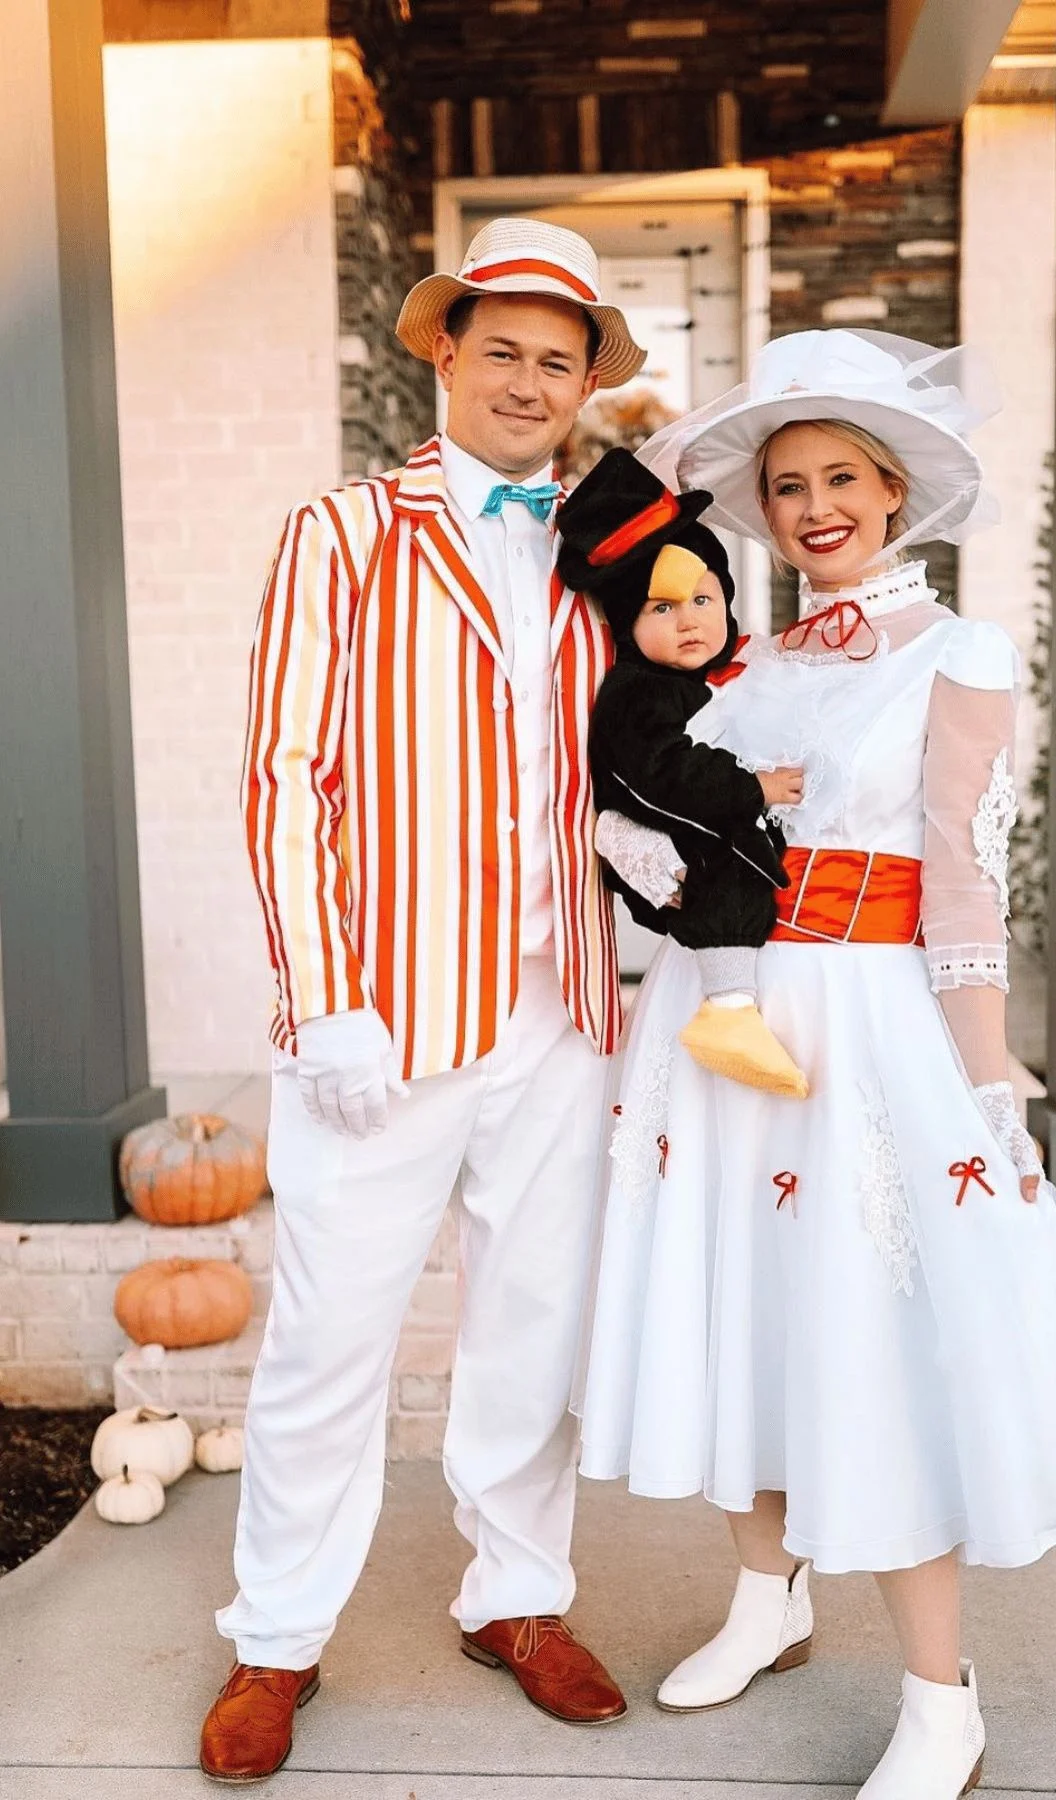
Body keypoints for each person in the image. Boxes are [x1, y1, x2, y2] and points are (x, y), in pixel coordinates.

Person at [578, 329, 1056, 1800]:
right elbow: (671, 825)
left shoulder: (957, 654)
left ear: (892, 493)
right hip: (725, 1021)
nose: (813, 506)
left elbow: (963, 887)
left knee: (873, 1343)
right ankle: (770, 1593)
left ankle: (942, 1699)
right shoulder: (736, 668)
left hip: (866, 1031)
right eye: (786, 482)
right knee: (745, 1313)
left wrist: (990, 1085)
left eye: (841, 480)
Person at [200, 218, 659, 1785]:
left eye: (562, 357)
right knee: (331, 1336)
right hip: (383, 1018)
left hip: (564, 1010)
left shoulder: (612, 546)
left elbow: (650, 741)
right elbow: (282, 780)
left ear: (587, 381)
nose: (533, 380)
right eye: (506, 349)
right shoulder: (342, 531)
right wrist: (321, 1001)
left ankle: (517, 1599)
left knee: (532, 1331)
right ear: (446, 353)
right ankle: (276, 1639)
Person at [555, 448, 808, 1097]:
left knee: (744, 872)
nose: (689, 618)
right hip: (664, 840)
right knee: (727, 881)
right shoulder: (639, 693)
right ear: (626, 626)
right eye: (660, 607)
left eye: (701, 597)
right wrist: (754, 789)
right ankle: (728, 1011)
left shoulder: (719, 677)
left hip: (701, 823)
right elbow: (665, 773)